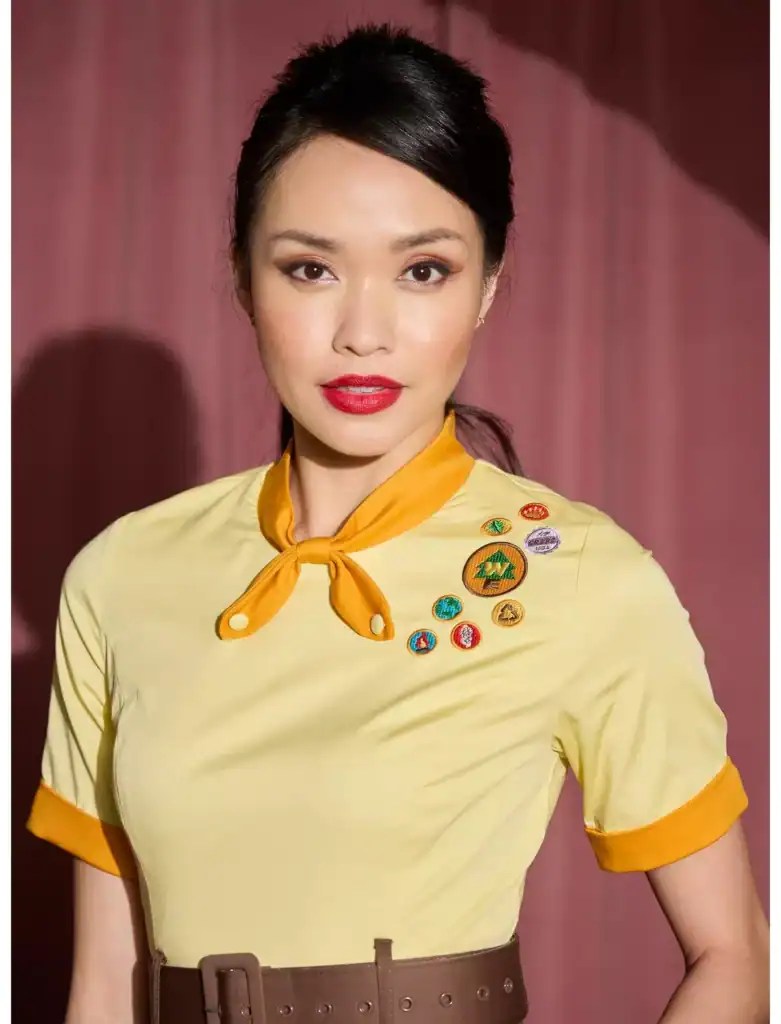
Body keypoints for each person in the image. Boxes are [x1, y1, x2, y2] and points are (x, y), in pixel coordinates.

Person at [26, 22, 768, 1024]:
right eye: (309, 268)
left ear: (488, 285)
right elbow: (102, 984)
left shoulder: (574, 574)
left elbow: (735, 955)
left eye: (423, 270)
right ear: (242, 278)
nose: (363, 331)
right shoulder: (121, 575)